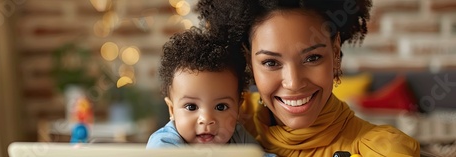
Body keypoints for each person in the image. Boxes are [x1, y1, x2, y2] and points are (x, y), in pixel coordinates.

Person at [196, 0, 420, 156]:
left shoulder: (380, 149)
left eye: (312, 58)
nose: (293, 83)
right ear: (248, 60)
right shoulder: (225, 120)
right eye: (271, 63)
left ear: (335, 52)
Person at [146, 27, 276, 157]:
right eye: (191, 107)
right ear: (172, 110)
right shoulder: (164, 143)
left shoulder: (239, 137)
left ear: (238, 108)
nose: (206, 119)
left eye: (221, 107)